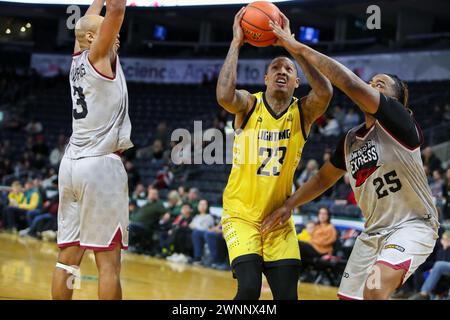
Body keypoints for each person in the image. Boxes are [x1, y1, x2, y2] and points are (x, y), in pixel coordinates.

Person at [262, 13, 439, 300]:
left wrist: (297, 47)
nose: (371, 85)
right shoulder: (350, 140)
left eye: (379, 84)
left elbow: (349, 84)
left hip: (412, 225)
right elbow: (323, 178)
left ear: (393, 101)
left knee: (375, 289)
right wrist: (289, 205)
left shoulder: (400, 123)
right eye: (371, 81)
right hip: (372, 234)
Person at [216, 8, 332, 300]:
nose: (282, 72)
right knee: (250, 290)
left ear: (296, 82)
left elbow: (326, 92)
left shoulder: (302, 112)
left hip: (279, 220)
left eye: (289, 70)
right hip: (241, 216)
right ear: (266, 78)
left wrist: (295, 48)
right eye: (276, 69)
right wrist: (235, 43)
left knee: (287, 297)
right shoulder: (249, 105)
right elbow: (224, 96)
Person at [52, 0, 133, 300]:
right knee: (109, 263)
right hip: (99, 167)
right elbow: (116, 12)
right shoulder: (99, 55)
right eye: (107, 32)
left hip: (71, 164)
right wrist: (113, 9)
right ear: (91, 39)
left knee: (68, 257)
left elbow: (88, 19)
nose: (116, 35)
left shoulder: (77, 59)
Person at [409, 232, 450, 300]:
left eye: (447, 239)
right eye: (443, 239)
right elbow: (438, 263)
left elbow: (442, 263)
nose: (445, 241)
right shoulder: (440, 250)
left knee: (439, 265)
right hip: (442, 271)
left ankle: (423, 294)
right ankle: (419, 291)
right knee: (421, 267)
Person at [190, 199, 215, 264]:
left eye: (204, 205)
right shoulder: (196, 216)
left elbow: (204, 228)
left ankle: (198, 257)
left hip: (205, 234)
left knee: (196, 233)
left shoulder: (209, 217)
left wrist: (195, 226)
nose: (202, 206)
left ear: (207, 206)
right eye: (200, 204)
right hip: (197, 233)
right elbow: (190, 225)